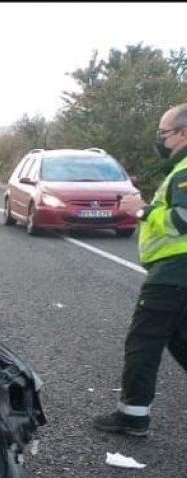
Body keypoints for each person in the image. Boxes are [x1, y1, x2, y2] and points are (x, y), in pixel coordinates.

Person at [92, 102, 187, 437]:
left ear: (183, 133)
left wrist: (142, 211)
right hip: (178, 274)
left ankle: (132, 417)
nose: (159, 140)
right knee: (180, 340)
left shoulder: (185, 170)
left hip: (174, 273)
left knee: (143, 343)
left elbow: (182, 221)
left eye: (163, 133)